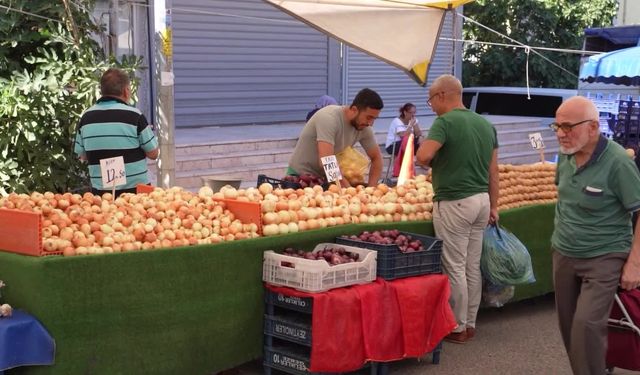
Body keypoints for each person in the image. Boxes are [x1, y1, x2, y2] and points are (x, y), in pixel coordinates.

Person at [549, 96, 640, 375]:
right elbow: (564, 198)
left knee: (586, 325)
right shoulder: (565, 157)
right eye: (557, 126)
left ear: (593, 127)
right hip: (564, 251)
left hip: (605, 254)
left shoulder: (618, 163)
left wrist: (634, 264)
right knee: (568, 324)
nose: (561, 133)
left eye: (568, 126)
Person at [416, 74, 499, 344]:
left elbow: (423, 156)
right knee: (471, 265)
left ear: (441, 95)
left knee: (454, 265)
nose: (432, 107)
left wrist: (437, 164)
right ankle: (471, 323)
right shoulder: (485, 125)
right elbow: (493, 171)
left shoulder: (445, 122)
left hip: (455, 201)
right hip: (482, 201)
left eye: (431, 101)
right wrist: (494, 205)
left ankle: (456, 326)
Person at [74, 68, 159, 197]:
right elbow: (153, 153)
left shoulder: (86, 117)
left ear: (102, 91)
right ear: (126, 91)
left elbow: (83, 156)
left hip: (102, 196)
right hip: (137, 194)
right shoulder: (135, 116)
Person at [288, 88, 384, 187]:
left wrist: (371, 190)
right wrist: (348, 190)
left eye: (374, 118)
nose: (371, 123)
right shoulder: (329, 118)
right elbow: (326, 161)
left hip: (326, 179)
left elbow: (376, 158)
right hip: (300, 178)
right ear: (354, 109)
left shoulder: (364, 126)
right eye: (369, 117)